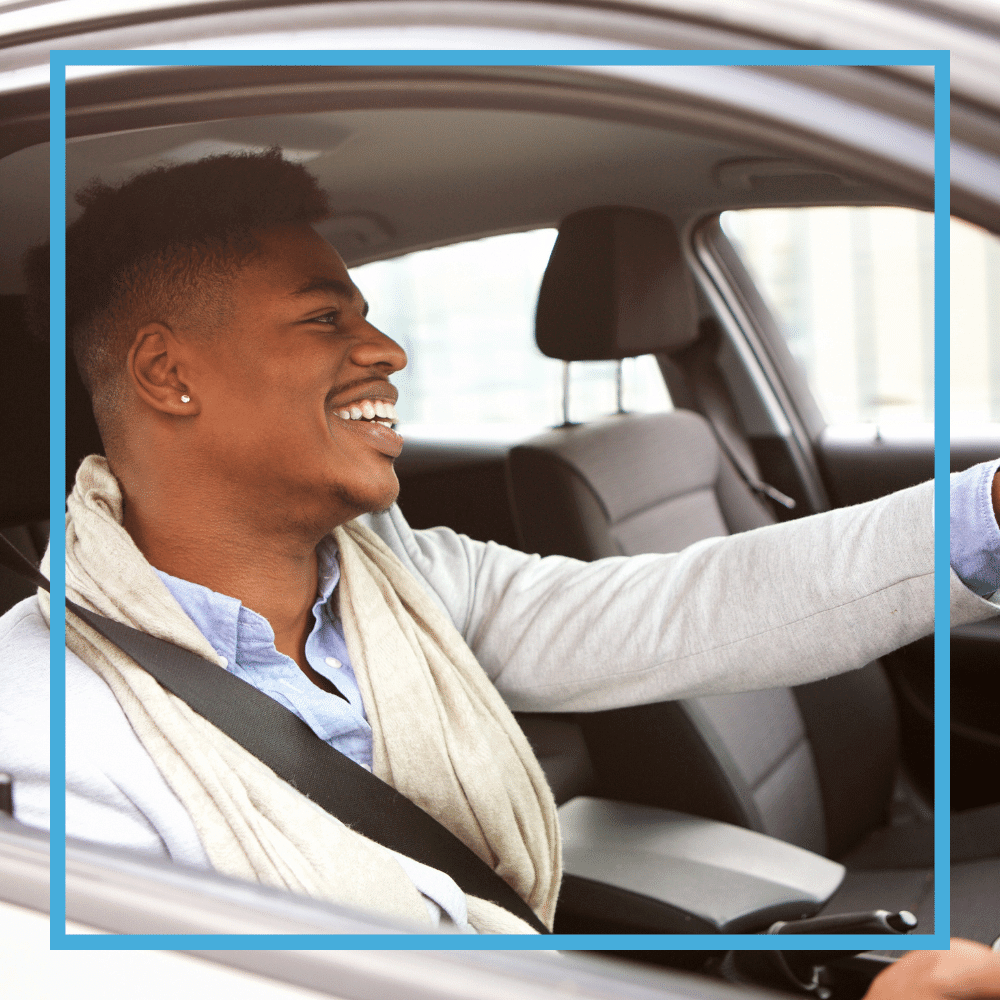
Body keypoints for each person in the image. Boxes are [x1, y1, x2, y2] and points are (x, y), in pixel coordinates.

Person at [1, 147, 998, 954]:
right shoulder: (40, 727)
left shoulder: (411, 575)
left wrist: (988, 509)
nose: (388, 349)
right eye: (323, 317)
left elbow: (700, 605)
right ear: (168, 373)